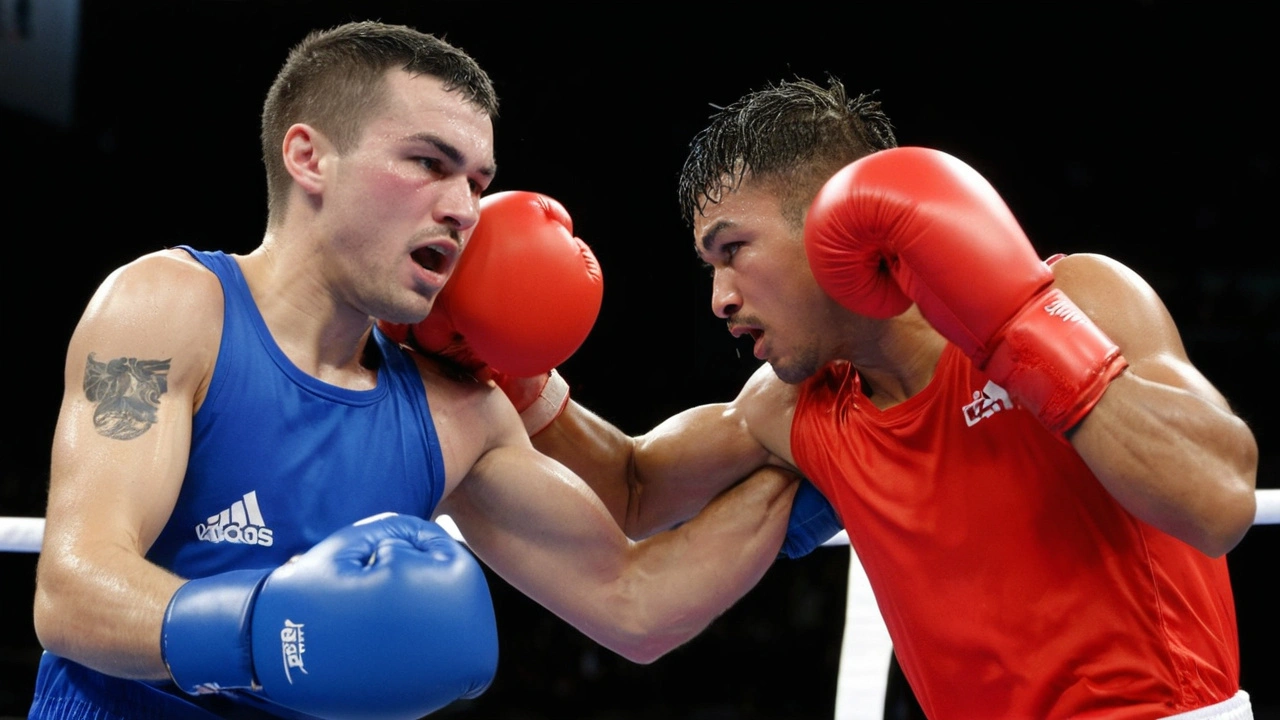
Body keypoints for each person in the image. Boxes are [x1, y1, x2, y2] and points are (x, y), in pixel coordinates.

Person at [28, 21, 809, 720]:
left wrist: (811, 458)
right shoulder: (169, 308)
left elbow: (635, 603)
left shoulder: (458, 412)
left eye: (476, 182)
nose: (465, 210)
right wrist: (266, 631)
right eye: (429, 164)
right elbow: (72, 589)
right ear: (309, 158)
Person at [418, 77, 1261, 719]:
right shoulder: (797, 409)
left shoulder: (1080, 296)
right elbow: (635, 489)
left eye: (733, 249)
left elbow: (1217, 503)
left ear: (837, 221)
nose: (719, 299)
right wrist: (510, 367)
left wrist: (1018, 329)